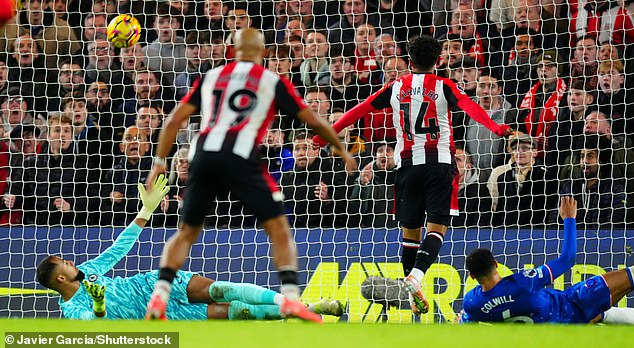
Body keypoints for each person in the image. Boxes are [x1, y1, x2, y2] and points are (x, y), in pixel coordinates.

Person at [144, 28, 356, 322]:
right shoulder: (272, 80)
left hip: (203, 153)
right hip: (242, 155)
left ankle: (160, 295)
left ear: (231, 51)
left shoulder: (210, 77)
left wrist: (158, 162)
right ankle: (292, 299)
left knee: (187, 232)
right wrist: (342, 149)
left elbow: (173, 120)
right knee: (279, 227)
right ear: (264, 54)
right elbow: (313, 120)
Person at [313, 35, 512, 315]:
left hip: (406, 166)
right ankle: (415, 278)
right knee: (437, 228)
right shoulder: (445, 86)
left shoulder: (396, 87)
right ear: (438, 60)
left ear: (409, 60)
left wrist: (325, 135)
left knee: (410, 233)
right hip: (439, 164)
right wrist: (496, 128)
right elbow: (472, 108)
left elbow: (358, 110)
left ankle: (411, 292)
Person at [36, 176, 343, 320]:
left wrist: (146, 211)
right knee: (240, 312)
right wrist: (99, 305)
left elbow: (117, 250)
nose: (70, 261)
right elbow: (93, 325)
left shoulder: (88, 271)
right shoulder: (71, 310)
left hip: (151, 287)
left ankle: (296, 303)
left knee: (224, 289)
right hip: (157, 319)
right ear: (59, 279)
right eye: (64, 262)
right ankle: (314, 310)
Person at [461, 197, 634, 324]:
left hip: (561, 326)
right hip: (572, 305)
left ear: (472, 276)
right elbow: (567, 259)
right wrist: (569, 219)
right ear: (496, 263)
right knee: (630, 277)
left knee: (603, 314)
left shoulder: (472, 303)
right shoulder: (522, 283)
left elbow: (466, 323)